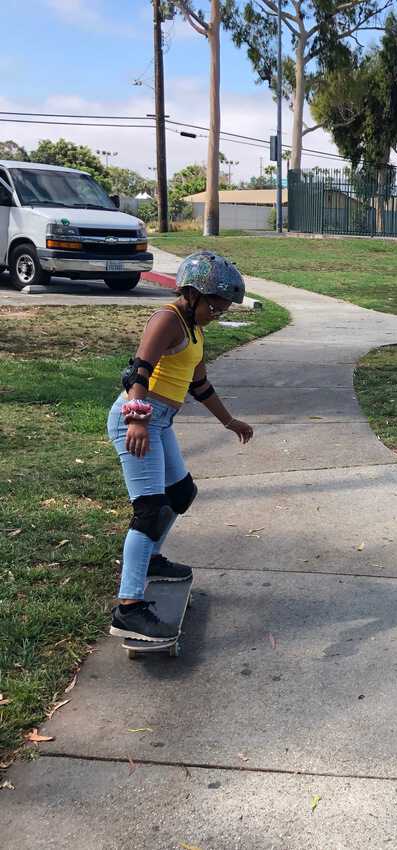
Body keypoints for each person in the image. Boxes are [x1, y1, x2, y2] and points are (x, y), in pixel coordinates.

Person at [107, 251, 254, 641]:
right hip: (137, 420)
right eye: (214, 305)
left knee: (182, 493)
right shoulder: (167, 319)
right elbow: (138, 369)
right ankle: (129, 608)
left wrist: (228, 421)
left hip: (159, 422)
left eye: (222, 309)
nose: (217, 313)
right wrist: (136, 419)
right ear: (192, 293)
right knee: (149, 510)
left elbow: (199, 385)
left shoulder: (194, 331)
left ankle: (151, 559)